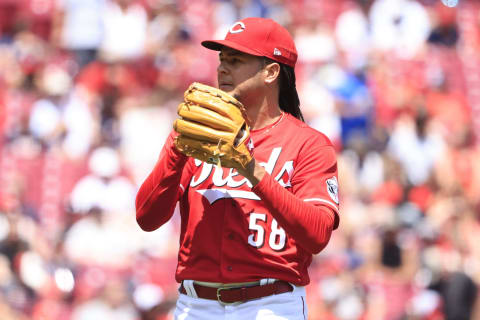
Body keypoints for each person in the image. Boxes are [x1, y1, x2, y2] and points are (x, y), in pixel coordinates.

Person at [135, 17, 340, 319]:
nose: (222, 68)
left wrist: (250, 169)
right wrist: (177, 151)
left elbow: (317, 234)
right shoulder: (197, 133)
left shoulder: (308, 144)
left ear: (271, 72)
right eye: (222, 60)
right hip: (196, 305)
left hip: (270, 304)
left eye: (236, 60)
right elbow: (147, 218)